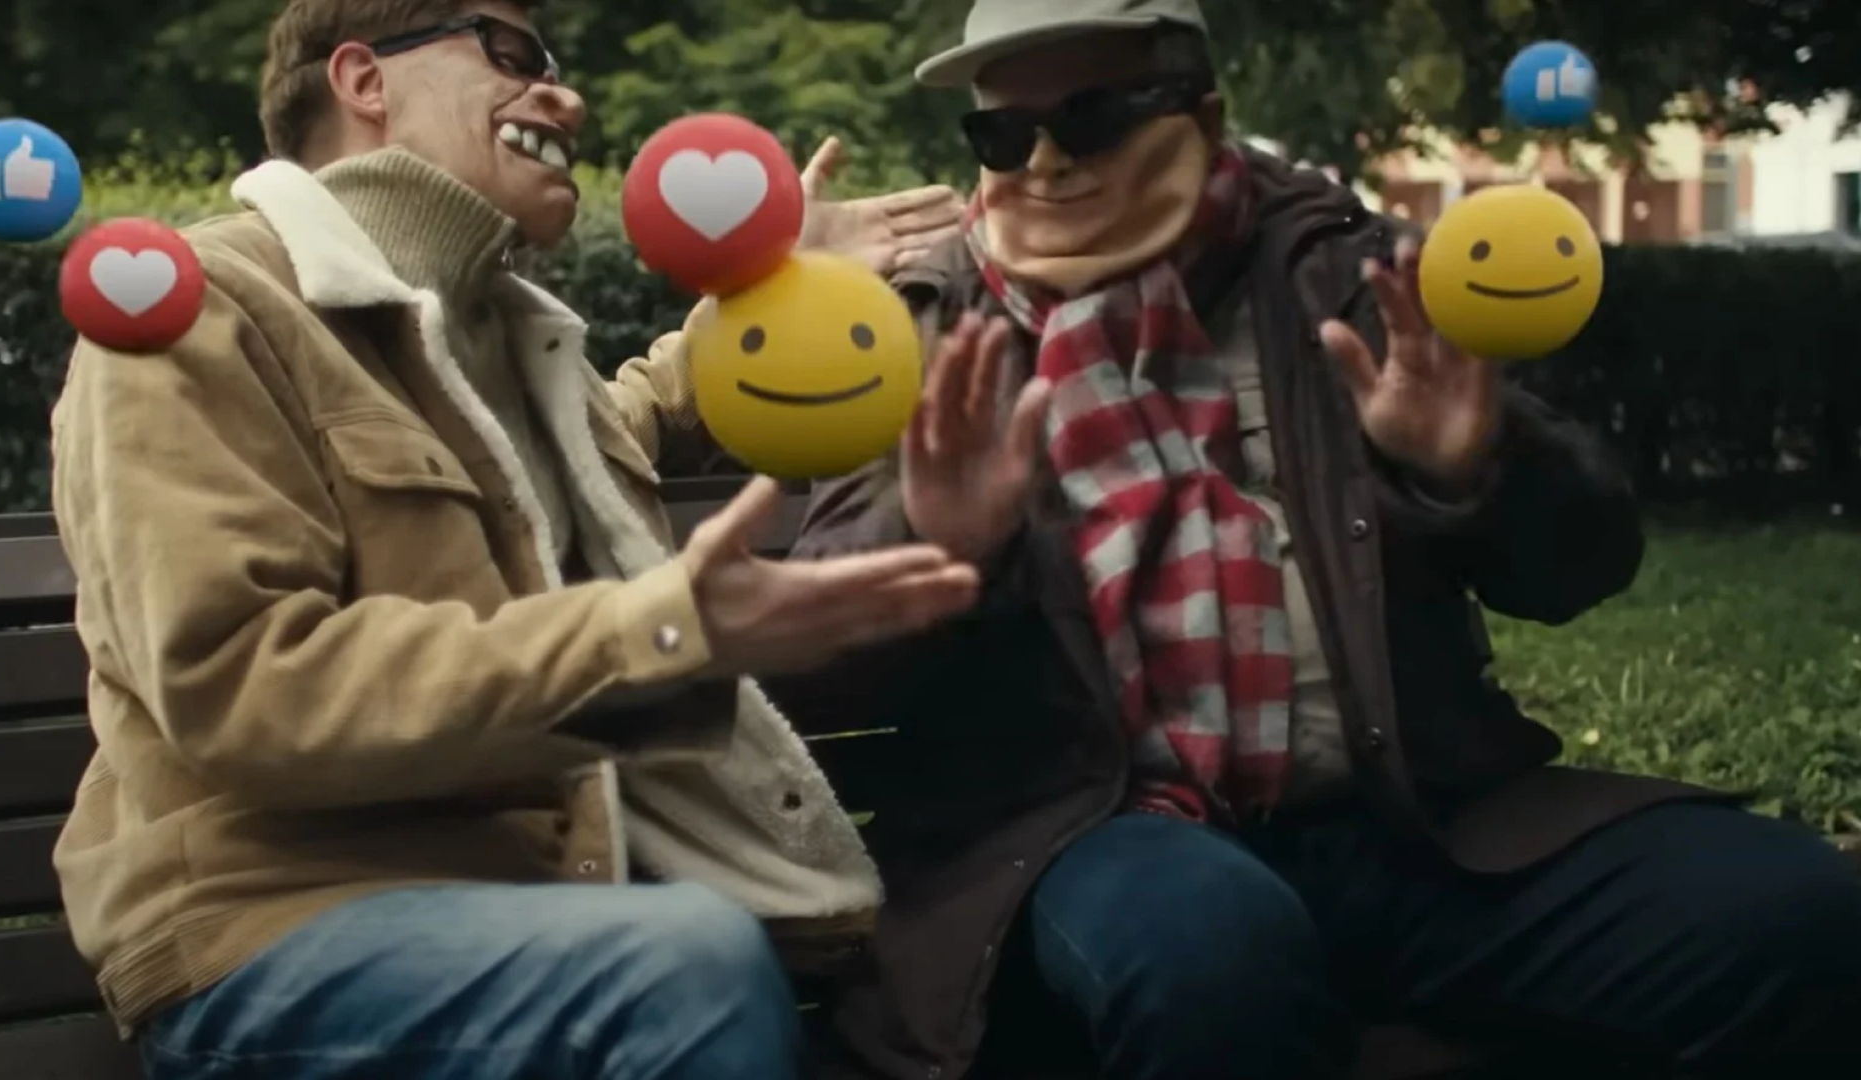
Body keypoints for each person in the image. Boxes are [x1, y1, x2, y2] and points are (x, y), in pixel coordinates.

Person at [783, 2, 1861, 1078]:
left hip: (1408, 824)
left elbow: (1583, 563)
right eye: (1005, 136)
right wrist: (937, 544)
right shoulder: (928, 329)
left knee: (1795, 914)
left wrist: (1469, 470)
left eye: (1097, 116)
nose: (1049, 164)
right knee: (1211, 947)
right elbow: (812, 668)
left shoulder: (1342, 276)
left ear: (1202, 115)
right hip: (1087, 832)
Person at [48, 2, 976, 1078]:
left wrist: (781, 289)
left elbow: (609, 434)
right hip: (270, 935)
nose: (563, 95)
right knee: (691, 969)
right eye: (511, 54)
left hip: (533, 919)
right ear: (361, 79)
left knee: (951, 959)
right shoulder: (194, 308)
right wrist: (664, 634)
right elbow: (242, 687)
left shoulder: (494, 334)